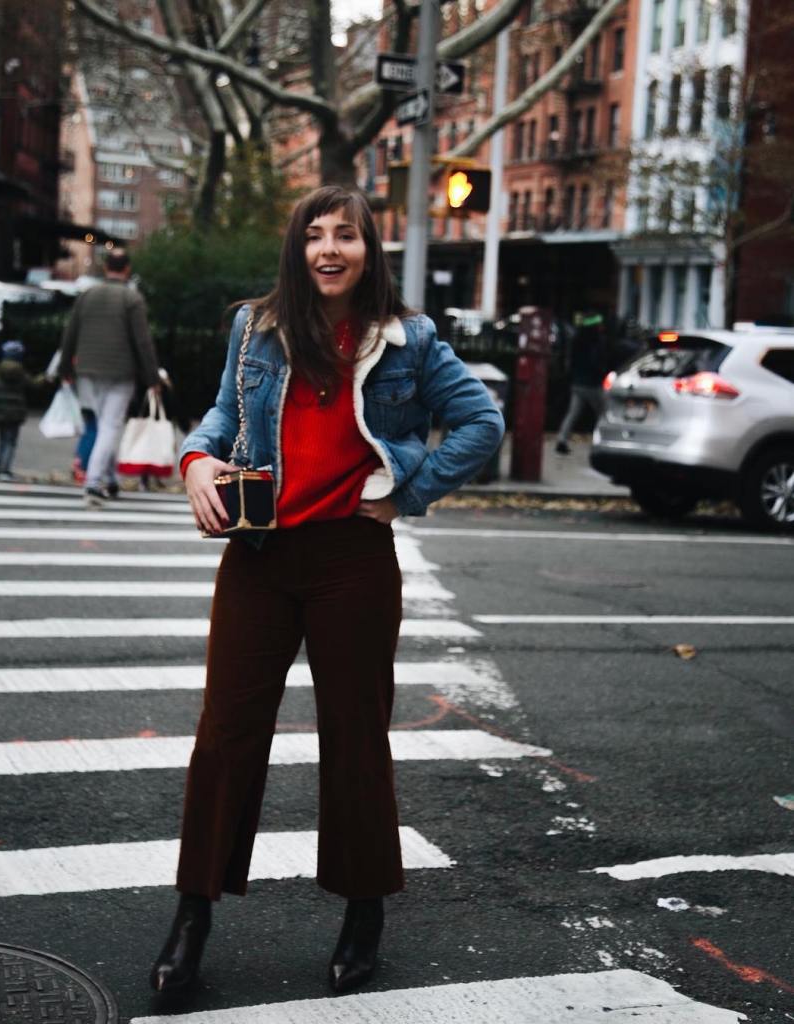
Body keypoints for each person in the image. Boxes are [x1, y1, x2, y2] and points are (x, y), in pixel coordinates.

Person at [150, 185, 504, 997]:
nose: (328, 249)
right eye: (313, 236)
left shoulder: (408, 339)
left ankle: (363, 909)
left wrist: (403, 492)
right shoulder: (257, 326)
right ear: (296, 248)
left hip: (353, 556)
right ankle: (193, 913)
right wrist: (199, 461)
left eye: (344, 235)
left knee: (355, 735)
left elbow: (479, 421)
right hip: (261, 554)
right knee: (226, 734)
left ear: (368, 247)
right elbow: (219, 414)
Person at [58, 247, 161, 507]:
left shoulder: (87, 295)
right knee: (110, 426)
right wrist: (152, 377)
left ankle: (110, 478)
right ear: (127, 269)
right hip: (120, 371)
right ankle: (94, 483)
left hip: (87, 371)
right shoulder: (131, 299)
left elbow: (70, 334)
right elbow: (142, 342)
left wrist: (65, 370)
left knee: (102, 424)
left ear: (106, 268)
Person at [0, 340, 46, 481]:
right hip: (15, 413)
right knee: (10, 441)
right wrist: (45, 377)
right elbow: (34, 385)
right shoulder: (22, 374)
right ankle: (4, 470)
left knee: (2, 438)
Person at [555, 311, 607, 455]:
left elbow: (570, 362)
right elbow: (597, 362)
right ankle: (603, 441)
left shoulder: (577, 339)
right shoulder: (596, 341)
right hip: (593, 384)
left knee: (573, 413)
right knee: (603, 414)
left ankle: (562, 440)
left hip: (578, 383)